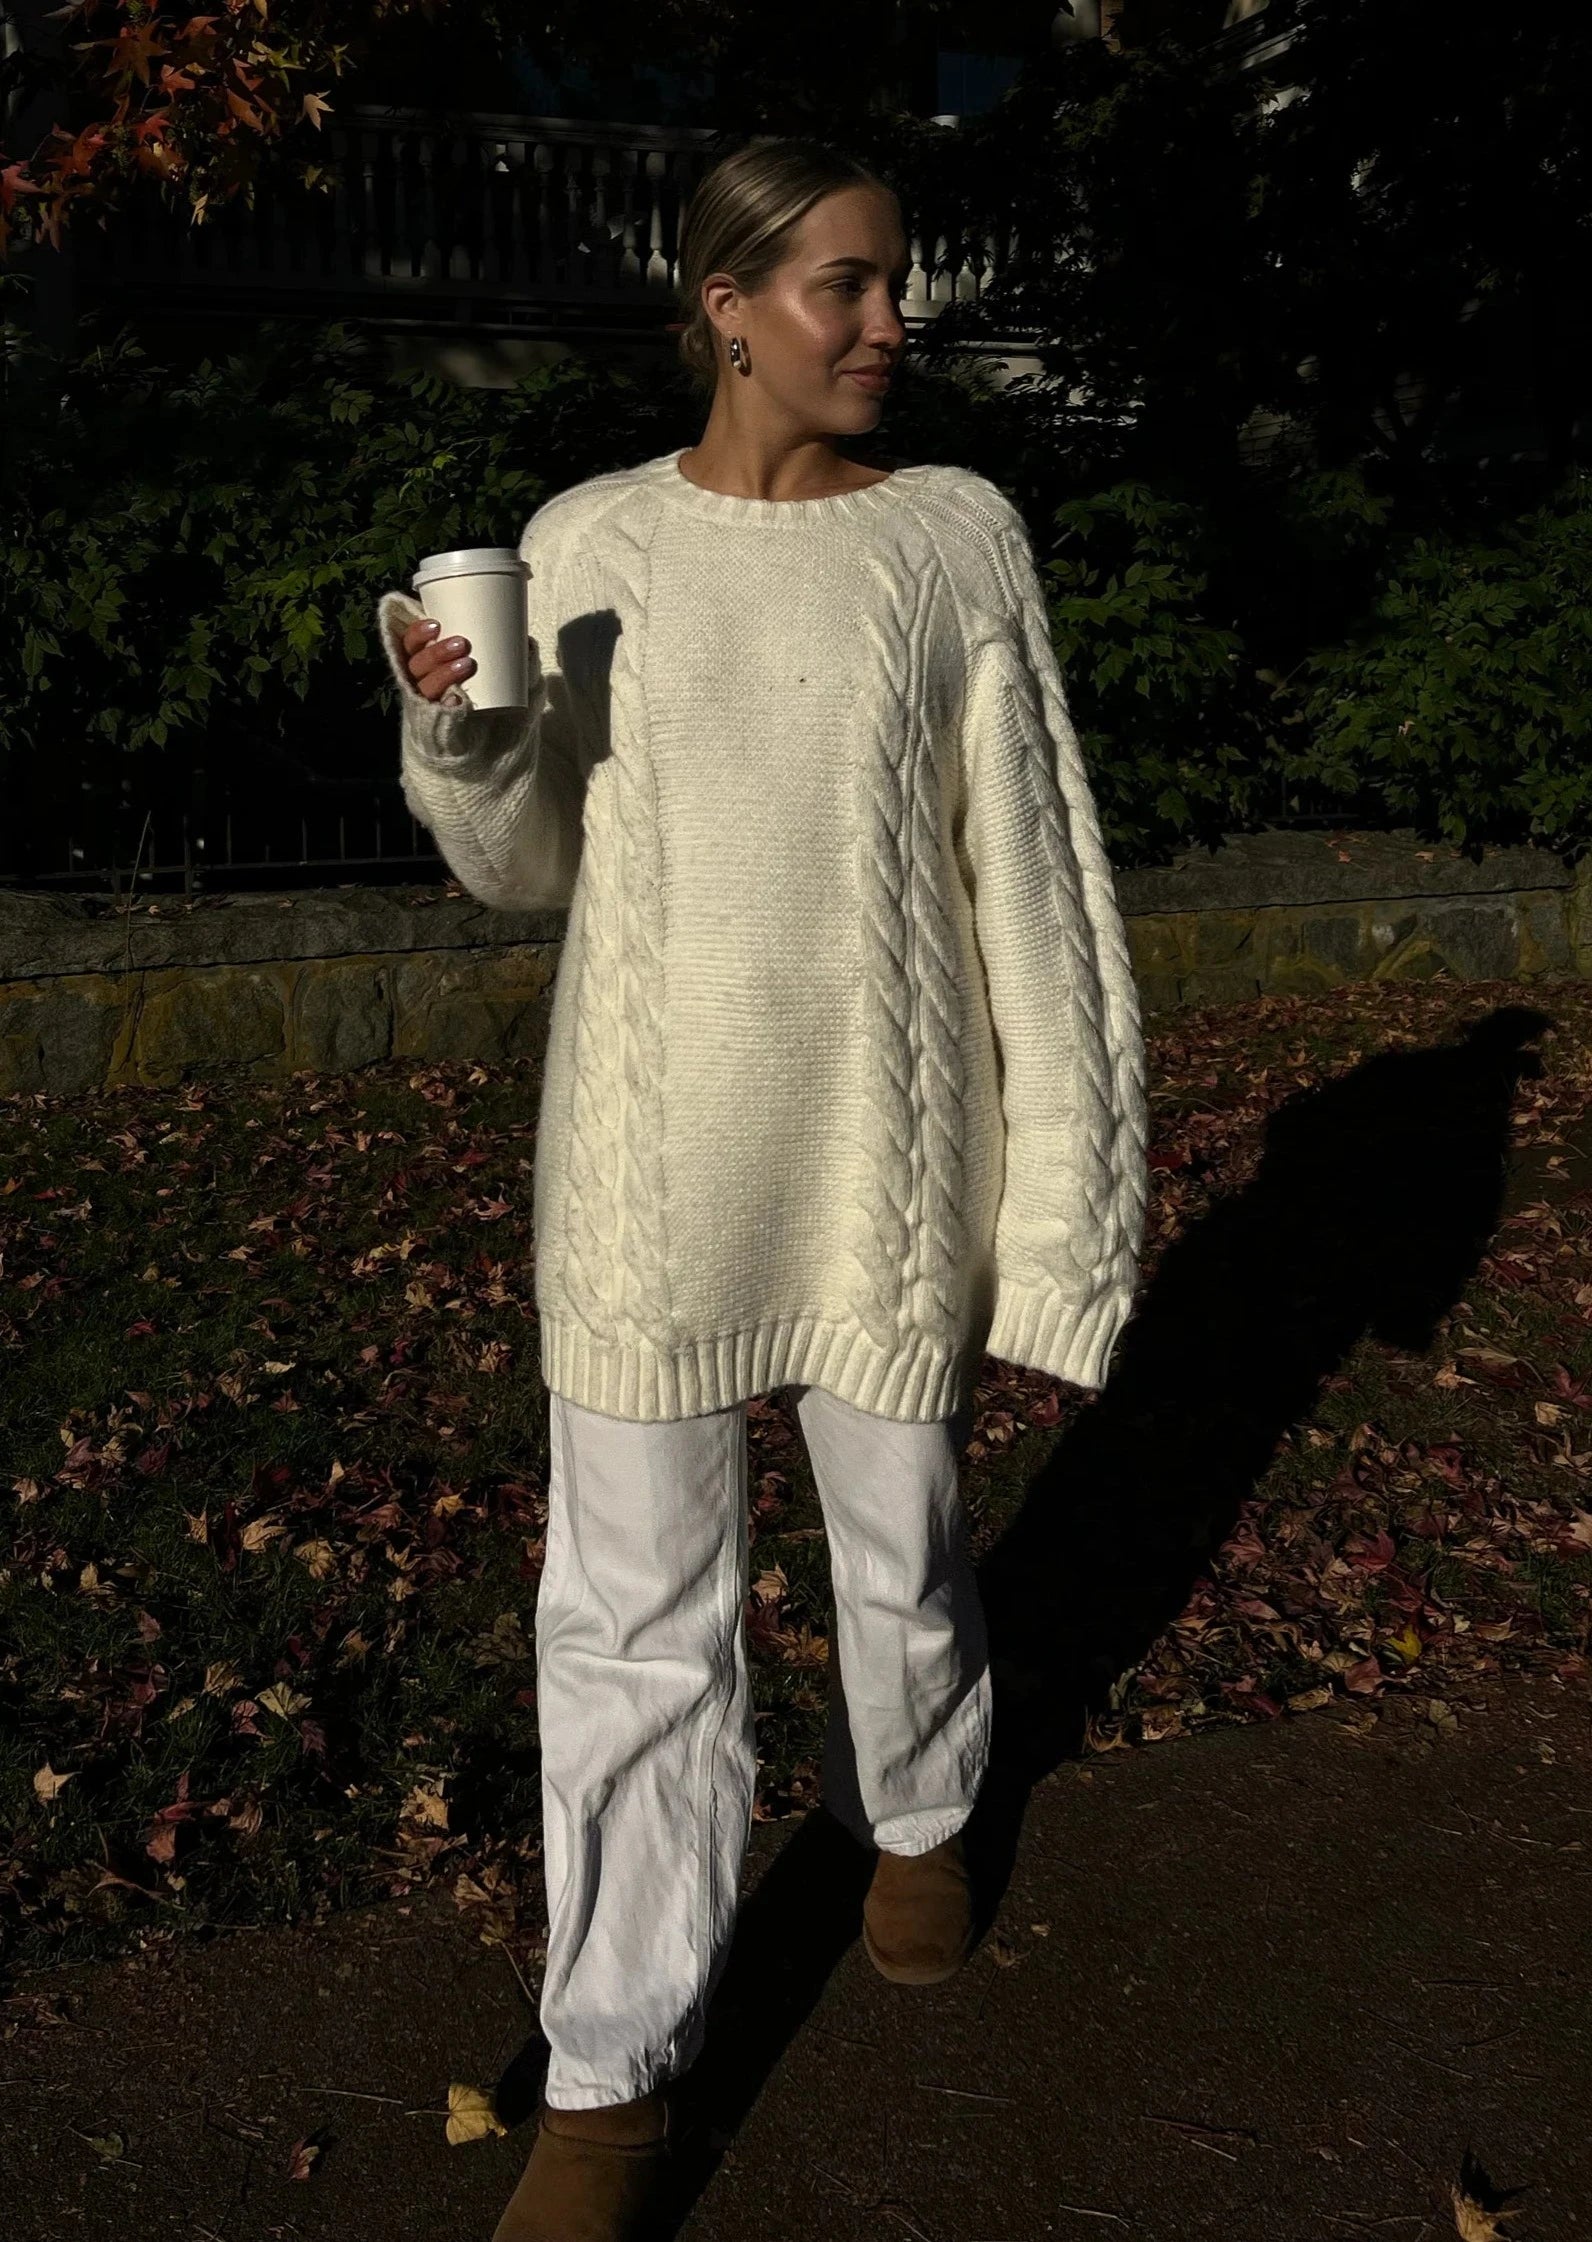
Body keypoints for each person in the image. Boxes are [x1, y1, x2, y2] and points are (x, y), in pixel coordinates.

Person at [376, 135, 1148, 2242]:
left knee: (901, 1561)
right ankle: (610, 2082)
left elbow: (1036, 893)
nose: (895, 322)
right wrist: (464, 742)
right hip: (646, 1167)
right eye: (846, 285)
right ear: (724, 305)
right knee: (629, 1631)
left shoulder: (954, 541)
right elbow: (528, 865)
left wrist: (1064, 1224)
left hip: (885, 1166)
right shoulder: (584, 541)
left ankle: (918, 1800)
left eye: (897, 281)